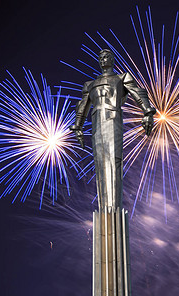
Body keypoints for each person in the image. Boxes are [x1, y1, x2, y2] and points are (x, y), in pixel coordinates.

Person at [70, 49, 156, 211]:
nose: (103, 60)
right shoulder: (90, 85)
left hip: (113, 118)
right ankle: (105, 210)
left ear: (112, 59)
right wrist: (78, 126)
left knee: (114, 160)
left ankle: (113, 210)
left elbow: (138, 93)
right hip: (97, 124)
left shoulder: (121, 78)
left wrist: (148, 112)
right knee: (100, 163)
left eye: (106, 57)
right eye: (100, 57)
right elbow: (82, 106)